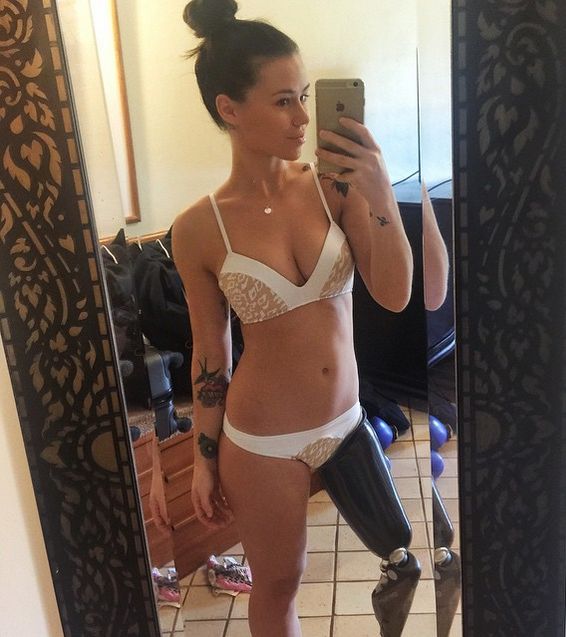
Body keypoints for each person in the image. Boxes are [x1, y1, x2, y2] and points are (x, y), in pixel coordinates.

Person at [172, 1, 413, 635]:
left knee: (403, 557)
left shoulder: (333, 186)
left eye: (304, 96)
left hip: (347, 420)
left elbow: (394, 294)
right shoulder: (199, 228)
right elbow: (210, 352)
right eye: (283, 102)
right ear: (229, 109)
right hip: (262, 443)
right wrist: (203, 457)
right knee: (278, 587)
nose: (304, 117)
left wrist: (379, 188)